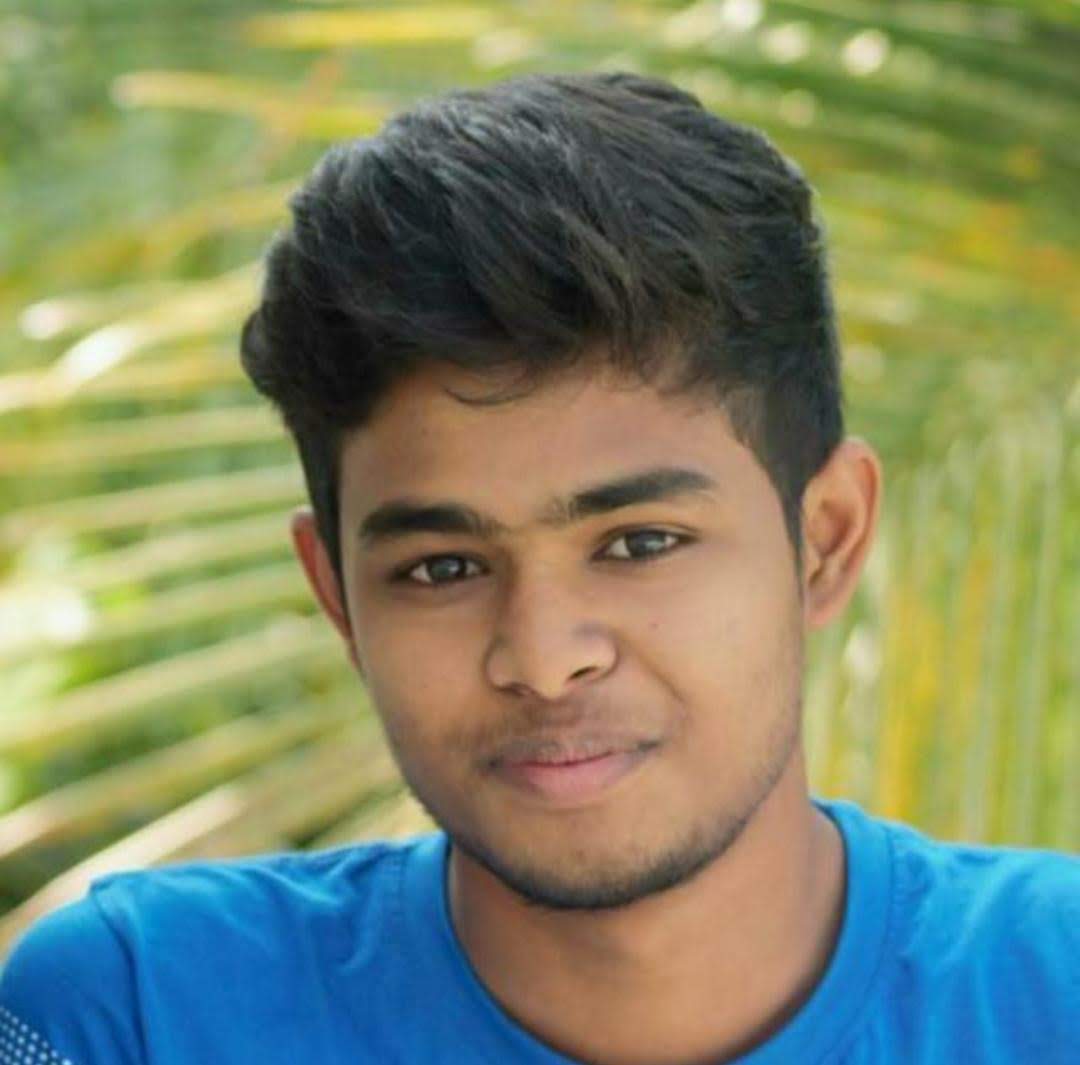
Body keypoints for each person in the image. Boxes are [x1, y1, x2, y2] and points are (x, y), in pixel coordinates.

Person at [1, 69, 1076, 1065]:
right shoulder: (136, 1018)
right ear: (336, 594)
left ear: (826, 539)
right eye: (442, 567)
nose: (544, 657)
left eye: (639, 543)